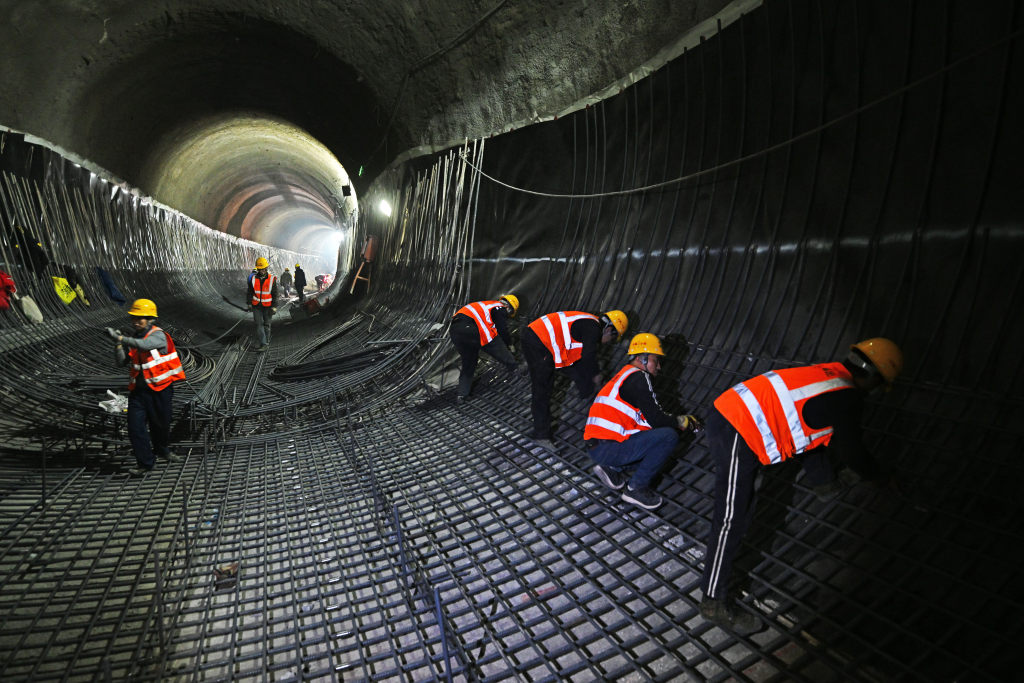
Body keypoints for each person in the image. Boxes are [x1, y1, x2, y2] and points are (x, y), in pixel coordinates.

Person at [699, 337, 903, 633]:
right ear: (873, 377)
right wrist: (879, 476)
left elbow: (810, 429)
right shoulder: (847, 397)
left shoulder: (827, 373)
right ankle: (713, 602)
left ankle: (824, 484)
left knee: (742, 508)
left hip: (733, 412)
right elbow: (853, 452)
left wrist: (825, 479)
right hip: (736, 425)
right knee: (732, 517)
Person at [584, 333, 701, 510]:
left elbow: (646, 421)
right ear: (642, 359)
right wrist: (680, 421)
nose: (659, 367)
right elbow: (657, 419)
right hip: (609, 448)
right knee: (668, 437)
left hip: (597, 447)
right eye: (656, 360)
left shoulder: (624, 375)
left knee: (654, 449)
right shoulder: (640, 378)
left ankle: (612, 469)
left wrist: (672, 419)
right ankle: (636, 488)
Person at [523, 309, 629, 449]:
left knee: (581, 376)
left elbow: (578, 360)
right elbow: (588, 356)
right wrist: (596, 375)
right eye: (612, 339)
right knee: (542, 389)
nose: (609, 343)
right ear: (609, 330)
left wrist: (589, 386)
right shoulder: (593, 328)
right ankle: (541, 435)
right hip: (538, 341)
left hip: (545, 341)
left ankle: (593, 405)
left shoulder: (588, 323)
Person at [106, 298, 186, 476]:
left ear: (150, 319)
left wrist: (120, 337)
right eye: (134, 318)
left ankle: (162, 450)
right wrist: (117, 344)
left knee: (161, 425)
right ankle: (145, 463)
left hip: (161, 390)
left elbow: (145, 345)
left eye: (140, 318)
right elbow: (121, 362)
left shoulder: (159, 336)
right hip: (139, 392)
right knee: (135, 428)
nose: (136, 321)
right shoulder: (133, 339)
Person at [449, 294, 520, 400]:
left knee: (469, 363)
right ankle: (516, 369)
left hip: (455, 331)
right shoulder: (499, 307)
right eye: (509, 314)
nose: (507, 316)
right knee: (493, 339)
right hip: (471, 327)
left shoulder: (486, 305)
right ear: (508, 307)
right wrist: (509, 345)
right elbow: (502, 329)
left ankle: (462, 394)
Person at [247, 257, 278, 351]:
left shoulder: (272, 279)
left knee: (267, 325)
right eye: (260, 269)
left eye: (263, 269)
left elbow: (275, 294)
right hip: (256, 306)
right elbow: (250, 292)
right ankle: (263, 343)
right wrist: (249, 303)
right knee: (258, 324)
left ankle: (266, 342)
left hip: (268, 306)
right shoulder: (253, 278)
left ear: (266, 268)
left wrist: (274, 306)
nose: (262, 271)